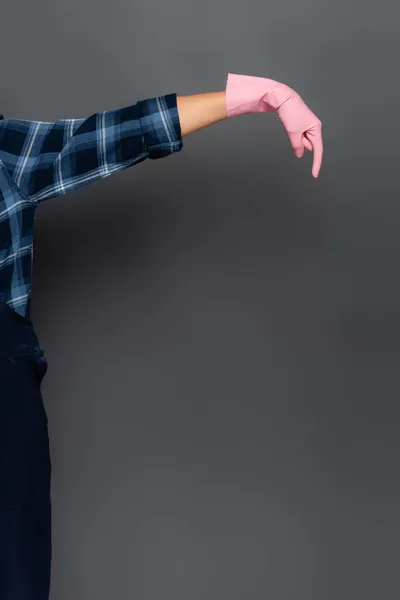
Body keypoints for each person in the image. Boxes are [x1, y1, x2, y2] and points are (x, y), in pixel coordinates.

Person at [0, 72, 323, 599]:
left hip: (5, 406)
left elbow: (123, 131)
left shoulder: (7, 153)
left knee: (14, 569)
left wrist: (255, 96)